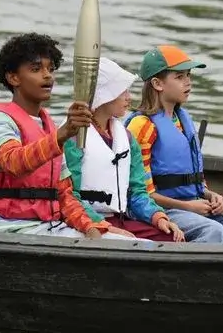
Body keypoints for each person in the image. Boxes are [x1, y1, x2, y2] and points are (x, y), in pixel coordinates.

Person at [0, 33, 138, 240]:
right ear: (13, 77)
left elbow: (64, 193)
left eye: (50, 69)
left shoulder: (47, 125)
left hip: (49, 227)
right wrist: (62, 135)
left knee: (131, 243)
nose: (48, 75)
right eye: (36, 69)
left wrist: (91, 227)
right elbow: (13, 161)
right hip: (7, 227)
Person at [124, 45, 223, 243]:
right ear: (157, 83)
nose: (188, 82)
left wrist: (211, 195)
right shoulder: (142, 125)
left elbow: (196, 181)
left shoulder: (181, 119)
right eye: (179, 77)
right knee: (212, 230)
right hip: (163, 210)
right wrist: (189, 207)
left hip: (194, 203)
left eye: (189, 75)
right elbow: (141, 193)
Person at [64, 57, 186, 242]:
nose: (129, 97)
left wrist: (158, 216)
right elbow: (70, 195)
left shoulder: (127, 138)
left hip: (121, 218)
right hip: (90, 221)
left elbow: (137, 192)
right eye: (123, 91)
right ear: (104, 95)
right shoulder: (73, 137)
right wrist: (105, 227)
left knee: (170, 237)